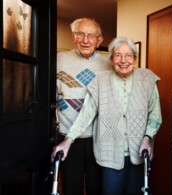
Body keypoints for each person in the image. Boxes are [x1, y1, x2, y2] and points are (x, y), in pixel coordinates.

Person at [52, 37, 162, 195]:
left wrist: (148, 138)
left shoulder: (147, 79)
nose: (123, 60)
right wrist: (68, 141)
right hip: (109, 154)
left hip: (139, 152)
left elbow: (155, 115)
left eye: (128, 55)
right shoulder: (99, 81)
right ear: (111, 59)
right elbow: (86, 114)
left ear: (135, 58)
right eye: (117, 55)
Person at [53, 17, 111, 195]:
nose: (85, 40)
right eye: (80, 34)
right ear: (73, 37)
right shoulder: (58, 59)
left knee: (97, 187)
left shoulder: (109, 63)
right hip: (67, 136)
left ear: (99, 40)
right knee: (71, 187)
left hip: (98, 137)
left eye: (91, 36)